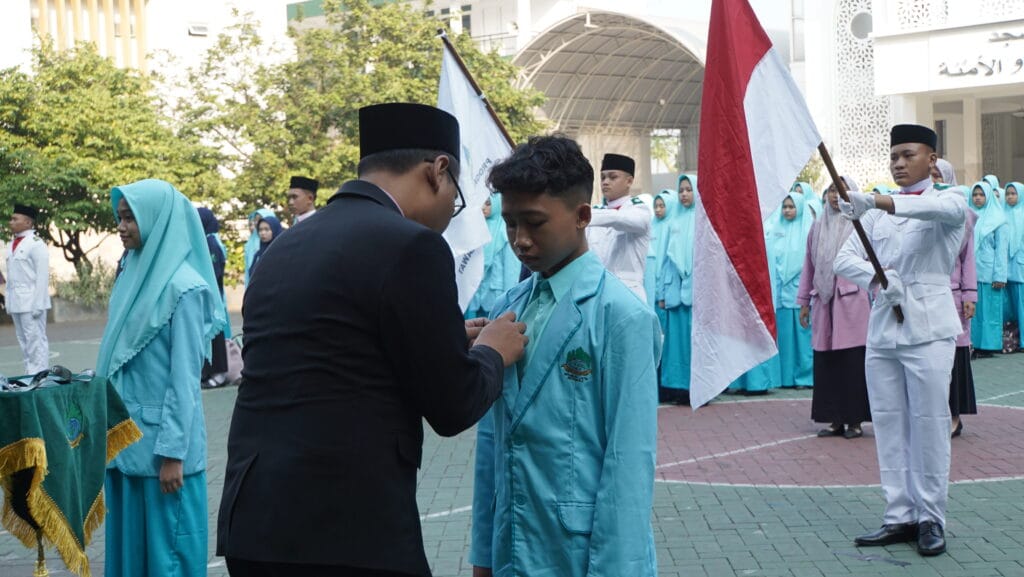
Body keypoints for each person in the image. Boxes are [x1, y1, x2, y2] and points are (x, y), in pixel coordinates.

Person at [217, 103, 527, 577]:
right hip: (347, 532)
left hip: (254, 526)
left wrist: (445, 342)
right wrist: (492, 351)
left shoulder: (284, 247)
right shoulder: (412, 245)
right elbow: (453, 405)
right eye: (456, 198)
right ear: (437, 170)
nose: (451, 212)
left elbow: (340, 356)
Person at [470, 134, 660, 577]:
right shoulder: (507, 308)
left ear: (581, 216)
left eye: (534, 223)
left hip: (579, 555)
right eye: (510, 222)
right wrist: (483, 552)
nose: (520, 240)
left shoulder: (620, 316)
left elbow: (629, 461)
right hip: (512, 549)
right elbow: (491, 443)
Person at [835, 123, 967, 557]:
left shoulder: (950, 198)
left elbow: (936, 214)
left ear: (932, 159)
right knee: (890, 424)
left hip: (928, 330)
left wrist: (874, 200)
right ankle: (899, 514)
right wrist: (877, 277)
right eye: (893, 156)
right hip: (884, 329)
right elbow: (844, 257)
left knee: (929, 424)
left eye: (909, 155)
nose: (898, 163)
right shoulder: (874, 213)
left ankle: (931, 516)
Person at [99, 179, 226, 577]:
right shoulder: (131, 275)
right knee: (130, 557)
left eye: (130, 219)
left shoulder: (185, 289)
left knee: (169, 558)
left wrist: (173, 454)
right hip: (125, 447)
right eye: (119, 218)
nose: (121, 227)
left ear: (157, 220)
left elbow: (185, 378)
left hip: (164, 456)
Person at [797, 176, 871, 439]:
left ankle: (855, 421)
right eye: (830, 190)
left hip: (851, 301)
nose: (834, 196)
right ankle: (833, 420)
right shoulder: (817, 227)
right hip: (824, 302)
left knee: (852, 362)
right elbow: (809, 266)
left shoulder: (860, 225)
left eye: (840, 191)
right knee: (827, 362)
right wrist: (804, 301)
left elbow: (873, 262)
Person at [932, 160, 978, 436]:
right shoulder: (922, 209)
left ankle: (955, 415)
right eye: (931, 174)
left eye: (939, 174)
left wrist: (969, 294)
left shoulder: (962, 213)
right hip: (928, 296)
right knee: (932, 357)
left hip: (953, 296)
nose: (934, 178)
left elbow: (968, 259)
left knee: (955, 356)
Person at [586, 153, 652, 300]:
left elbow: (619, 219)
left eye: (612, 177)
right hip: (599, 292)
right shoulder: (597, 213)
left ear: (629, 181)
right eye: (602, 177)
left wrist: (585, 214)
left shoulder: (639, 210)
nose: (605, 182)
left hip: (629, 293)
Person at [657, 174, 699, 403]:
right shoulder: (673, 221)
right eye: (681, 190)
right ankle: (677, 386)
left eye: (688, 190)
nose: (684, 194)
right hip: (674, 290)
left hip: (696, 292)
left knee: (694, 341)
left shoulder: (703, 221)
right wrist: (662, 293)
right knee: (676, 342)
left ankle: (696, 387)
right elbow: (664, 259)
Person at [767, 191, 814, 388]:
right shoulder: (776, 229)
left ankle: (804, 377)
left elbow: (809, 259)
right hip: (780, 291)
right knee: (784, 337)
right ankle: (786, 377)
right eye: (785, 207)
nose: (787, 210)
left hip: (799, 290)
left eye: (791, 207)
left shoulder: (807, 229)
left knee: (802, 337)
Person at [6, 204, 51, 375]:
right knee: (24, 342)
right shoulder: (12, 244)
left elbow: (42, 276)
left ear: (27, 222)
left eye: (15, 219)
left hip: (32, 301)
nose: (11, 222)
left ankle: (40, 375)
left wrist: (39, 304)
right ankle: (30, 374)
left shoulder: (36, 244)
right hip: (17, 301)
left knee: (35, 341)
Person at [967, 181, 1008, 357]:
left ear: (989, 197)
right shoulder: (968, 216)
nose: (977, 198)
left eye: (981, 195)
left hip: (990, 273)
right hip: (971, 271)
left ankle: (988, 346)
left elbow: (1001, 250)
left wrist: (1000, 275)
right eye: (975, 195)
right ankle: (973, 344)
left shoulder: (999, 220)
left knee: (989, 310)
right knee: (974, 311)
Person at [465, 194, 520, 319]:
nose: (483, 207)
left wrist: (511, 301)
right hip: (476, 296)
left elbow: (511, 271)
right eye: (481, 203)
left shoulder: (505, 233)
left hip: (497, 296)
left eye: (488, 203)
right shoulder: (475, 229)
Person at [197, 207, 231, 389]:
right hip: (208, 298)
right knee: (208, 335)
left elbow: (213, 271)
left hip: (213, 298)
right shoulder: (206, 240)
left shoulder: (211, 242)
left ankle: (219, 373)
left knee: (216, 335)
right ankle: (208, 371)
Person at [644, 190, 674, 312]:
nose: (657, 210)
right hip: (651, 278)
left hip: (664, 279)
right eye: (655, 206)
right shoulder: (651, 225)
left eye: (662, 206)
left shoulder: (671, 225)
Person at [1005, 181, 1024, 350]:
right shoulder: (1002, 213)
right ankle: (1013, 340)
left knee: (1022, 305)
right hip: (1005, 269)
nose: (1010, 196)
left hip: (1020, 267)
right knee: (1009, 307)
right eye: (1008, 193)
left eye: (1013, 193)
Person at [244, 208, 275, 286]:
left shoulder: (279, 245)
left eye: (259, 219)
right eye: (255, 220)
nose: (256, 223)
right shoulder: (252, 242)